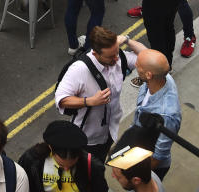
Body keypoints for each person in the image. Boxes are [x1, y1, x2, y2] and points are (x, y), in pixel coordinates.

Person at [55, 27, 146, 160]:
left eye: (116, 52)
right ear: (96, 53)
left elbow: (149, 57)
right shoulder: (79, 70)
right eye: (110, 56)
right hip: (87, 138)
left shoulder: (119, 57)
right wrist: (89, 101)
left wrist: (127, 40)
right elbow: (61, 99)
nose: (116, 59)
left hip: (110, 131)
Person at [129, 49, 181, 180]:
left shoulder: (166, 116)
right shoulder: (162, 77)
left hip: (150, 165)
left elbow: (157, 157)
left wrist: (134, 177)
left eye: (139, 65)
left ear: (148, 75)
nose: (135, 65)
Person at [18, 120, 107, 192]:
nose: (66, 169)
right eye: (61, 165)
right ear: (51, 148)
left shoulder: (93, 166)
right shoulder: (31, 160)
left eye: (71, 166)